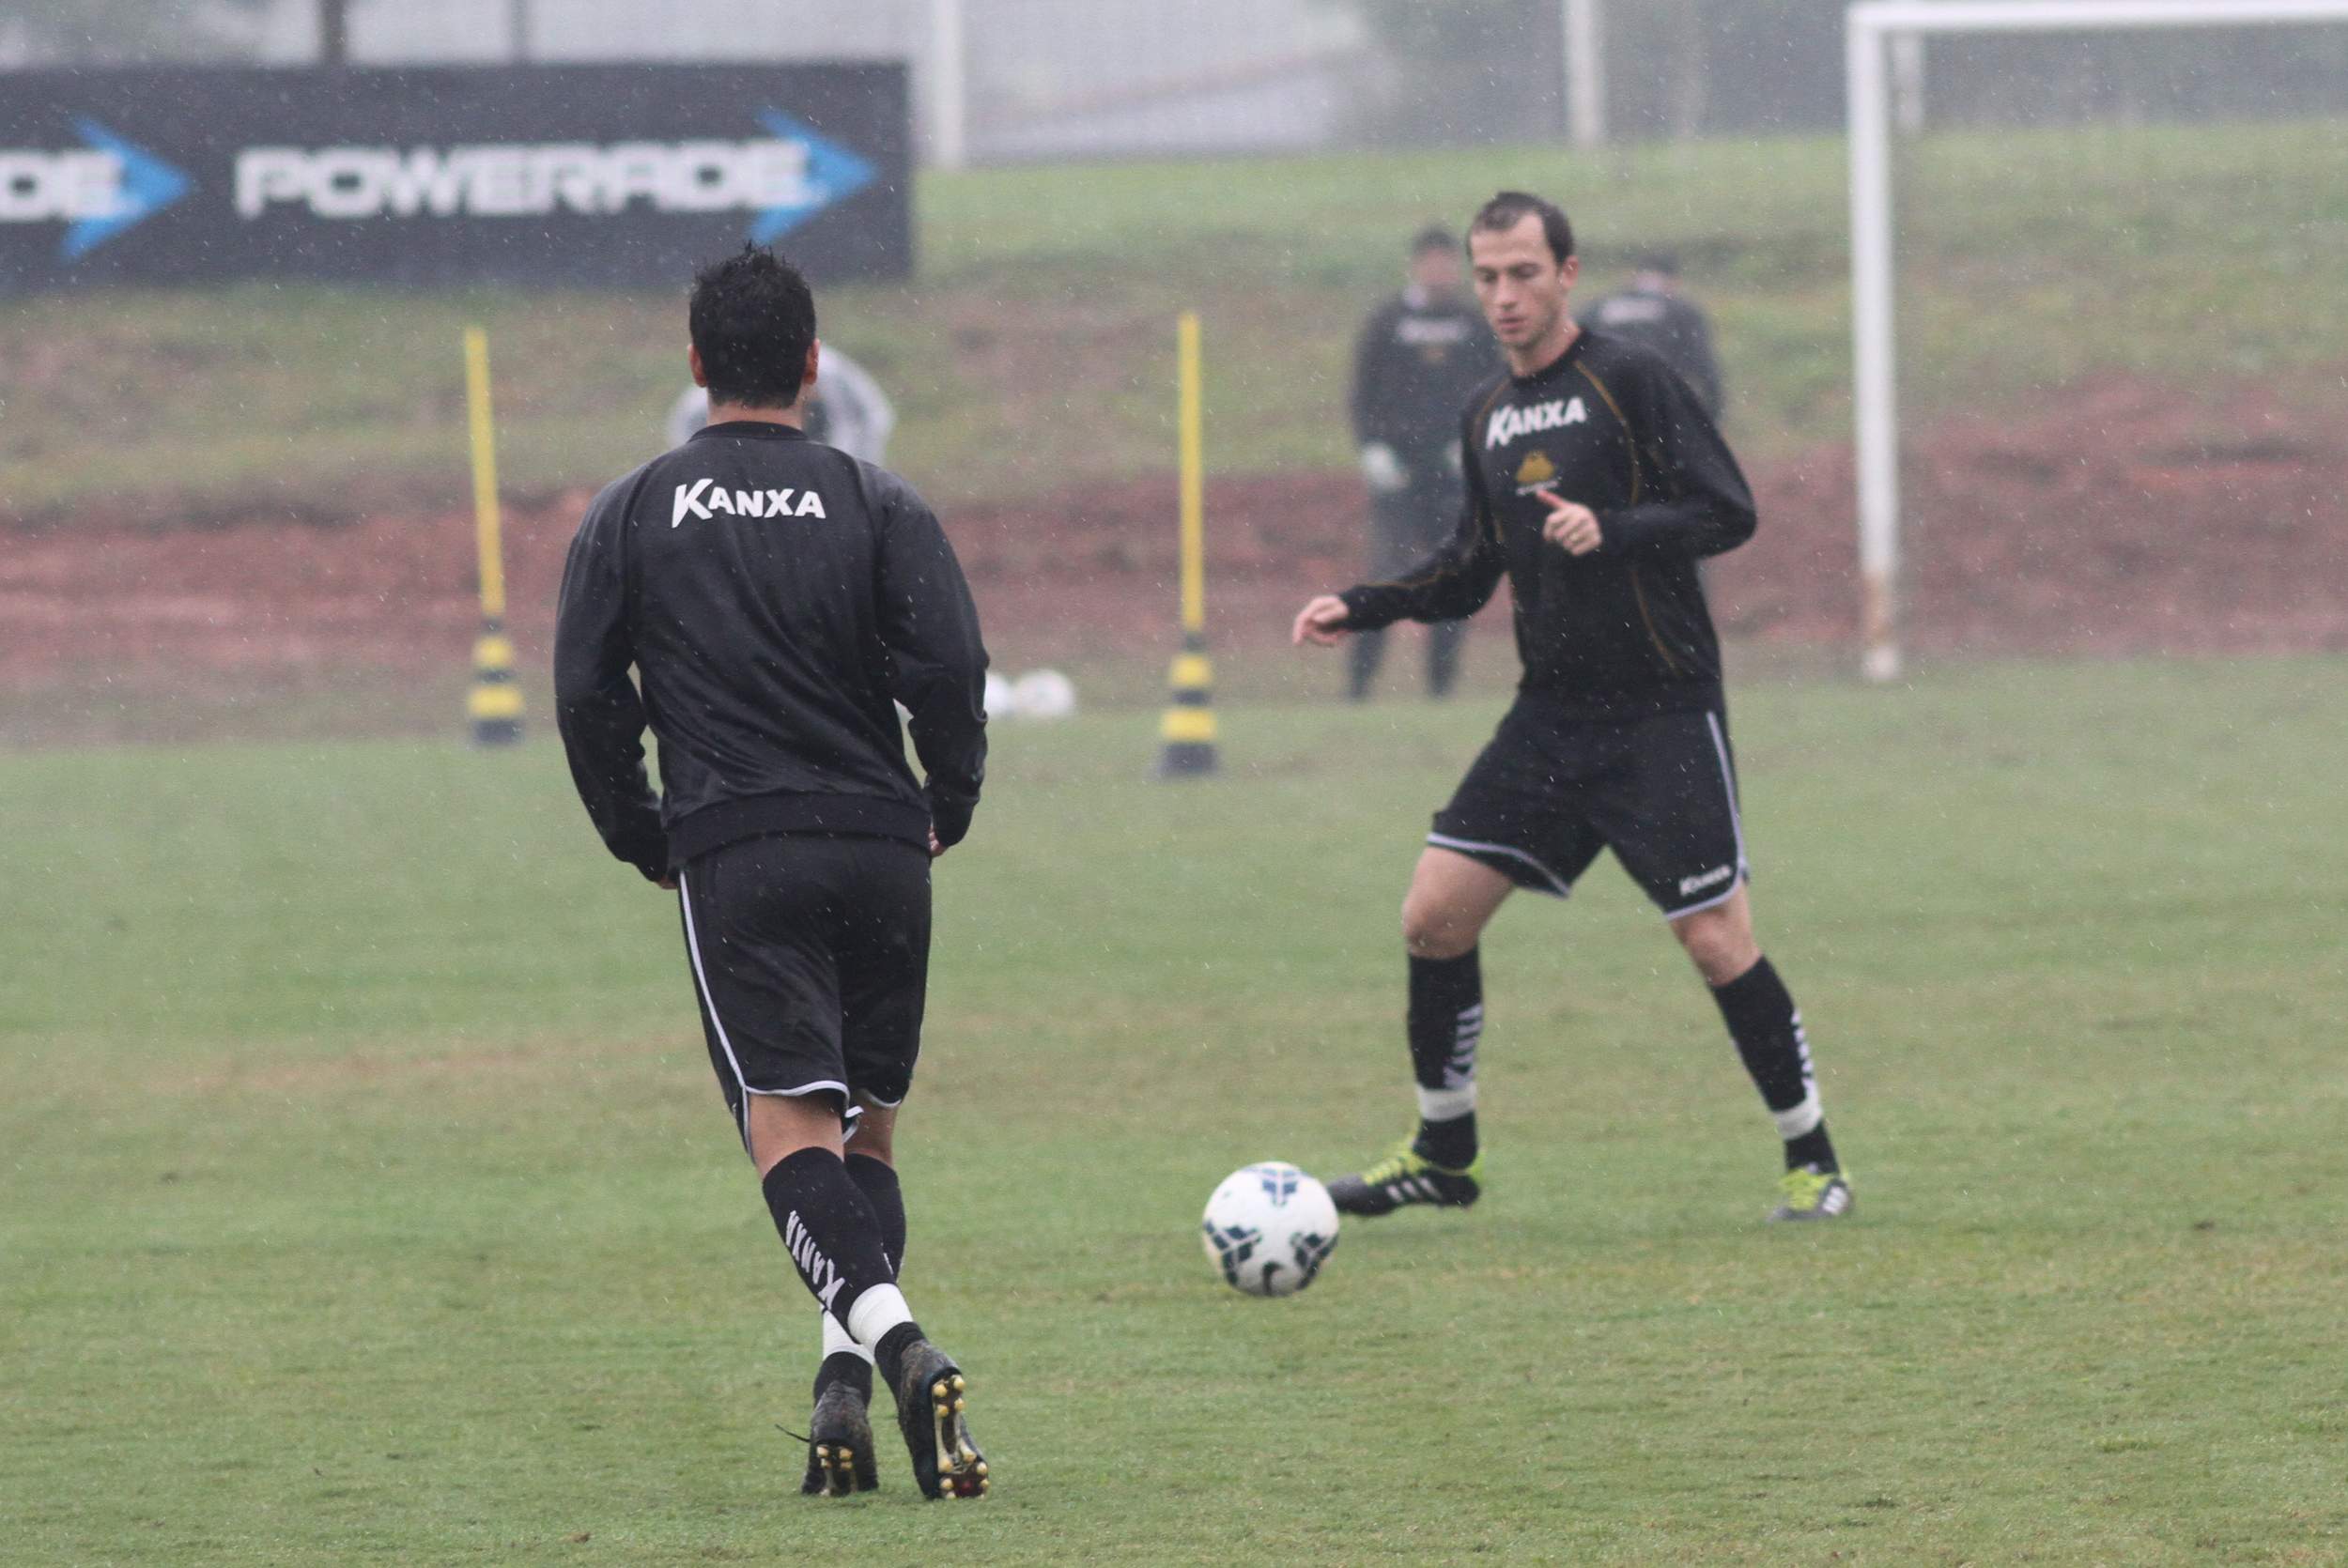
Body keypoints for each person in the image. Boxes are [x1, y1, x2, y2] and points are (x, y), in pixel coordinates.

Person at [1291, 192, 1852, 1224]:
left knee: (1716, 938)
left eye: (1522, 274)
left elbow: (1727, 509)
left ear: (1565, 274)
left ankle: (1812, 1160)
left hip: (1661, 709)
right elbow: (1469, 571)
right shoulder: (1486, 415)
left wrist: (1617, 528)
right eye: (1487, 276)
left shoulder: (1629, 377)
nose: (1503, 296)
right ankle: (1443, 1152)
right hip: (1550, 718)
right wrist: (1364, 605)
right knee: (1433, 916)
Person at [555, 245, 994, 1500]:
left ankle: (902, 1346)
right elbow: (951, 666)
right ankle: (843, 1388)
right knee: (868, 1129)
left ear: (697, 369)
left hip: (741, 851)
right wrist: (947, 802)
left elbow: (588, 693)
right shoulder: (877, 499)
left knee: (785, 1129)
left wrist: (640, 830)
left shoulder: (635, 507)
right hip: (879, 844)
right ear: (812, 366)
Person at [1344, 224, 1501, 701]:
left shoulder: (1473, 325)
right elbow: (1362, 393)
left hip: (1453, 475)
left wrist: (1472, 447)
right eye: (1432, 262)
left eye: (1449, 263)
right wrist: (1372, 447)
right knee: (1386, 576)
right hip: (1396, 472)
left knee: (1452, 582)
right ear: (1416, 265)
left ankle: (1441, 690)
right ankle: (1359, 688)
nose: (1441, 272)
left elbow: (1494, 391)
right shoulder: (1387, 322)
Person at [666, 343, 897, 463]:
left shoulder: (838, 383)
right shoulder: (700, 406)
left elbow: (868, 422)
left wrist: (844, 477)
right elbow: (687, 430)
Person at [1581, 252, 1724, 421]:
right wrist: (1711, 417)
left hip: (1601, 404)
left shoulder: (1598, 308)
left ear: (1635, 274)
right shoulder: (1682, 311)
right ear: (1674, 280)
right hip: (1659, 406)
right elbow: (1705, 369)